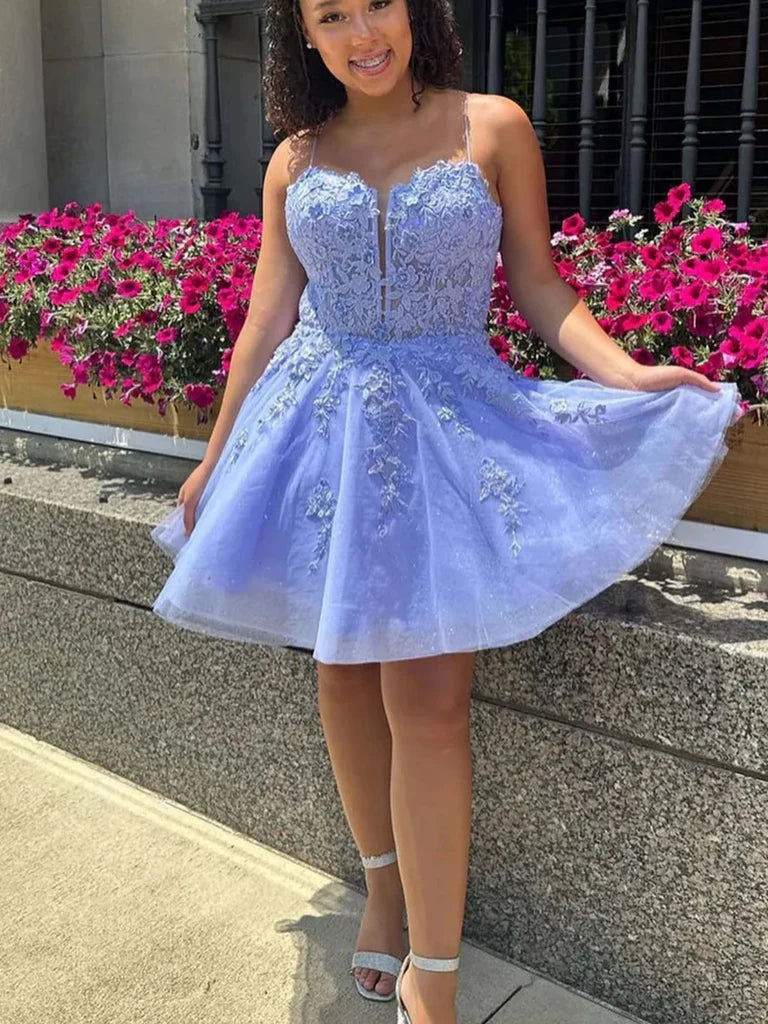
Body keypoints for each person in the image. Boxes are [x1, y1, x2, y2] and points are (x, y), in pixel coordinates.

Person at [150, 1, 741, 1021]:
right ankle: (383, 889)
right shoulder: (295, 158)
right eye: (331, 15)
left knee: (429, 705)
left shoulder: (492, 125)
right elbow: (266, 317)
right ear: (306, 33)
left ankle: (437, 972)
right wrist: (213, 457)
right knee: (342, 674)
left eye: (376, 2)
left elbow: (540, 287)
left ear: (413, 6)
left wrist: (629, 374)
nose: (362, 33)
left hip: (446, 429)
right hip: (318, 432)